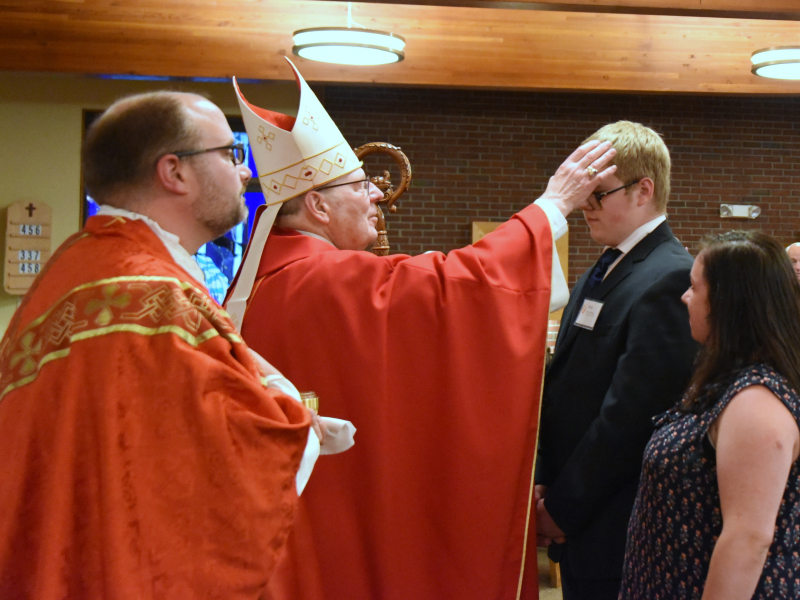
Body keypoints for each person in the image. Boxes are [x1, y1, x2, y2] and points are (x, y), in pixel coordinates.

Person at [229, 62, 619, 600]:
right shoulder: (323, 277)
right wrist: (551, 207)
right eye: (357, 185)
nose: (375, 196)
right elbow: (453, 288)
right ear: (317, 205)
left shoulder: (265, 283)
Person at [0, 91, 314, 599]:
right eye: (231, 154)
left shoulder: (79, 269)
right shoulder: (151, 297)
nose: (245, 173)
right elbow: (235, 459)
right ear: (175, 172)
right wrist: (293, 410)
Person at [620, 230, 800, 599]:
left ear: (728, 303)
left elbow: (747, 541)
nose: (685, 297)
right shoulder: (732, 379)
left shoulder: (757, 401)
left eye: (694, 287)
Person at [535, 121, 698, 599]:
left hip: (619, 521)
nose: (583, 205)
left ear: (643, 189)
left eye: (597, 193)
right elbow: (565, 383)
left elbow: (630, 419)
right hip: (582, 512)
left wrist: (563, 507)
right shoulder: (601, 270)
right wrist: (546, 478)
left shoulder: (669, 276)